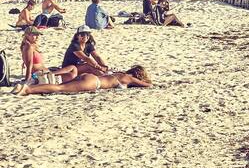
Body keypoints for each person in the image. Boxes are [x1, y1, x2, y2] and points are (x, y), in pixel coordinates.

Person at [12, 65, 151, 95]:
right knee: (60, 89)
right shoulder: (129, 78)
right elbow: (147, 85)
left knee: (60, 86)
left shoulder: (120, 73)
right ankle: (27, 89)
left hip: (90, 78)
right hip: (94, 83)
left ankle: (24, 88)